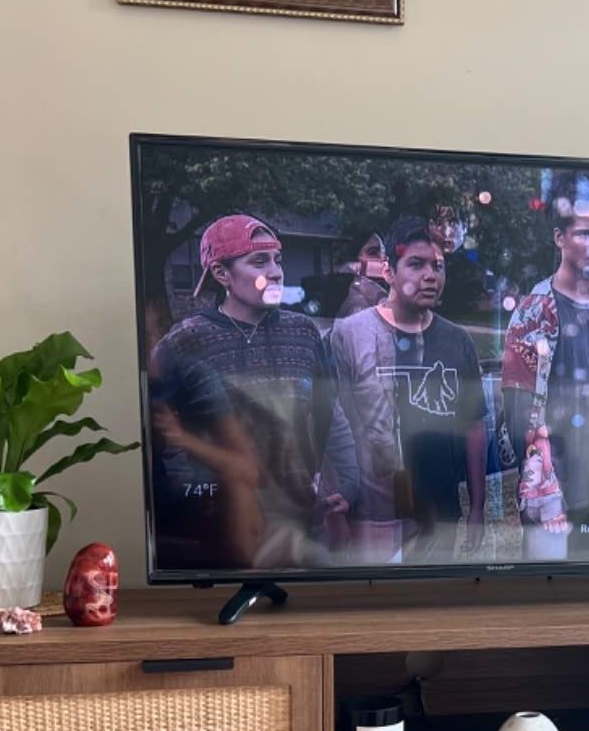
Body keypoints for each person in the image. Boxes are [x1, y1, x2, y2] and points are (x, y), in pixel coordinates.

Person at [148, 213, 339, 572]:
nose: (278, 271)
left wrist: (318, 475)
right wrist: (188, 496)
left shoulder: (304, 333)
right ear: (222, 275)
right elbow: (157, 434)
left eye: (278, 260)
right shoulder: (186, 341)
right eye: (259, 261)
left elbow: (328, 411)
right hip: (225, 527)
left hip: (299, 517)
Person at [500, 186, 589, 559]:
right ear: (560, 238)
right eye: (585, 233)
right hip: (551, 494)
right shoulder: (535, 313)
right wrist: (546, 493)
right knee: (543, 601)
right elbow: (521, 416)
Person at [330, 215, 487, 564]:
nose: (430, 275)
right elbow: (332, 425)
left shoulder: (458, 341)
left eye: (438, 266)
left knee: (431, 611)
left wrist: (477, 505)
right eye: (416, 264)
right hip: (372, 514)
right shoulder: (350, 336)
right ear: (388, 271)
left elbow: (473, 424)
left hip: (439, 513)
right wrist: (337, 503)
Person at [335, 231, 389, 321]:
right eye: (373, 252)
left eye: (383, 252)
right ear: (355, 262)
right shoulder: (358, 303)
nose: (382, 258)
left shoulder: (385, 290)